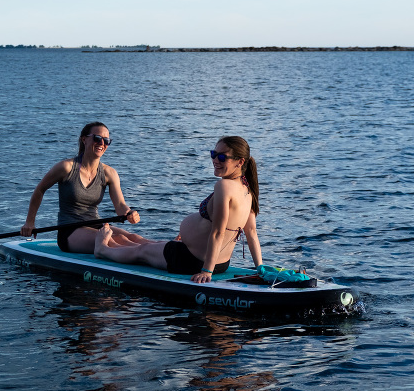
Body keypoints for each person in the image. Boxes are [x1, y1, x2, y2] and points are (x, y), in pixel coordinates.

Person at [94, 136, 263, 283]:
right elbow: (251, 233)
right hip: (221, 264)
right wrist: (260, 268)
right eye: (213, 154)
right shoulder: (247, 190)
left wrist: (206, 271)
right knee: (147, 242)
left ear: (240, 162)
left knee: (141, 251)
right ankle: (115, 240)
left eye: (222, 157)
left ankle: (103, 249)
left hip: (191, 261)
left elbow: (218, 232)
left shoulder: (224, 186)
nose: (215, 160)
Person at [20, 121, 151, 253]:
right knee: (117, 240)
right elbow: (40, 190)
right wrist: (30, 222)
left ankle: (162, 252)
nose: (102, 143)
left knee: (134, 238)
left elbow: (120, 205)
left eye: (106, 140)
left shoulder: (109, 173)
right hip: (70, 230)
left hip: (96, 225)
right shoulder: (66, 167)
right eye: (97, 138)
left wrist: (129, 213)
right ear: (84, 139)